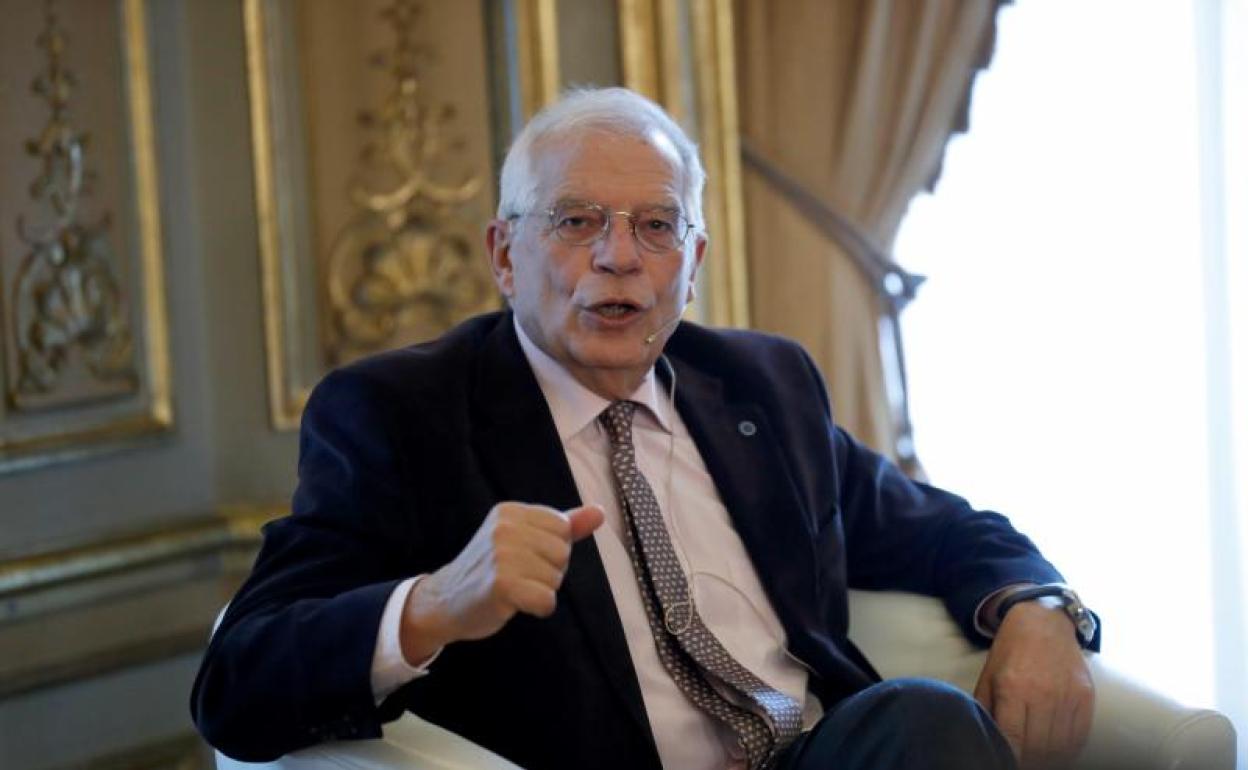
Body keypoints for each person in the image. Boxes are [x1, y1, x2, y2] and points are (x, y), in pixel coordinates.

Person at [192, 87, 1097, 770]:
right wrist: (434, 605)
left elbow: (939, 530)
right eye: (576, 220)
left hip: (815, 752)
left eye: (657, 225)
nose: (619, 256)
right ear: (504, 254)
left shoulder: (762, 385)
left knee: (926, 718)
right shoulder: (402, 415)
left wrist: (1038, 607)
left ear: (692, 262)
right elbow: (234, 684)